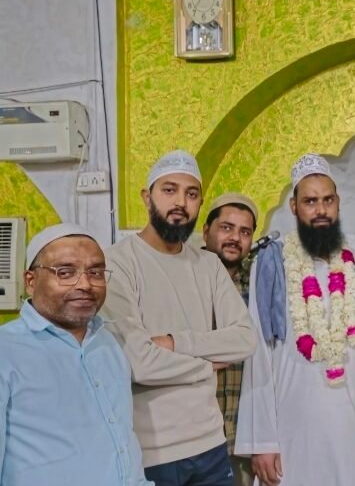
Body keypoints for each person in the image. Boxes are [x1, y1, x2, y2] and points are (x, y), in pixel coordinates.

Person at [101, 150, 257, 486]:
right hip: (152, 451)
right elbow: (139, 363)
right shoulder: (116, 263)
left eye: (191, 194)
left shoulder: (209, 265)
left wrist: (174, 343)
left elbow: (244, 339)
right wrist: (207, 365)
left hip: (211, 444)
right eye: (169, 190)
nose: (180, 203)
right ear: (147, 197)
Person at [235, 153, 355, 485]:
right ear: (294, 207)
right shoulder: (272, 263)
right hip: (291, 424)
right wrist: (262, 441)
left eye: (328, 200)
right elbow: (258, 352)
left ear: (338, 203)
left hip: (348, 425)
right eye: (310, 201)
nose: (320, 210)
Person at [0, 224, 151, 486]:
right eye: (65, 272)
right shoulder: (7, 349)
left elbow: (123, 439)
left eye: (95, 272)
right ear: (31, 281)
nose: (85, 284)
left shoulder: (107, 342)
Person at [203, 192, 260, 486]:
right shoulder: (184, 277)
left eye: (245, 232)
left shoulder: (260, 282)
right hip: (194, 439)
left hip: (244, 436)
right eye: (226, 228)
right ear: (206, 231)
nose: (235, 238)